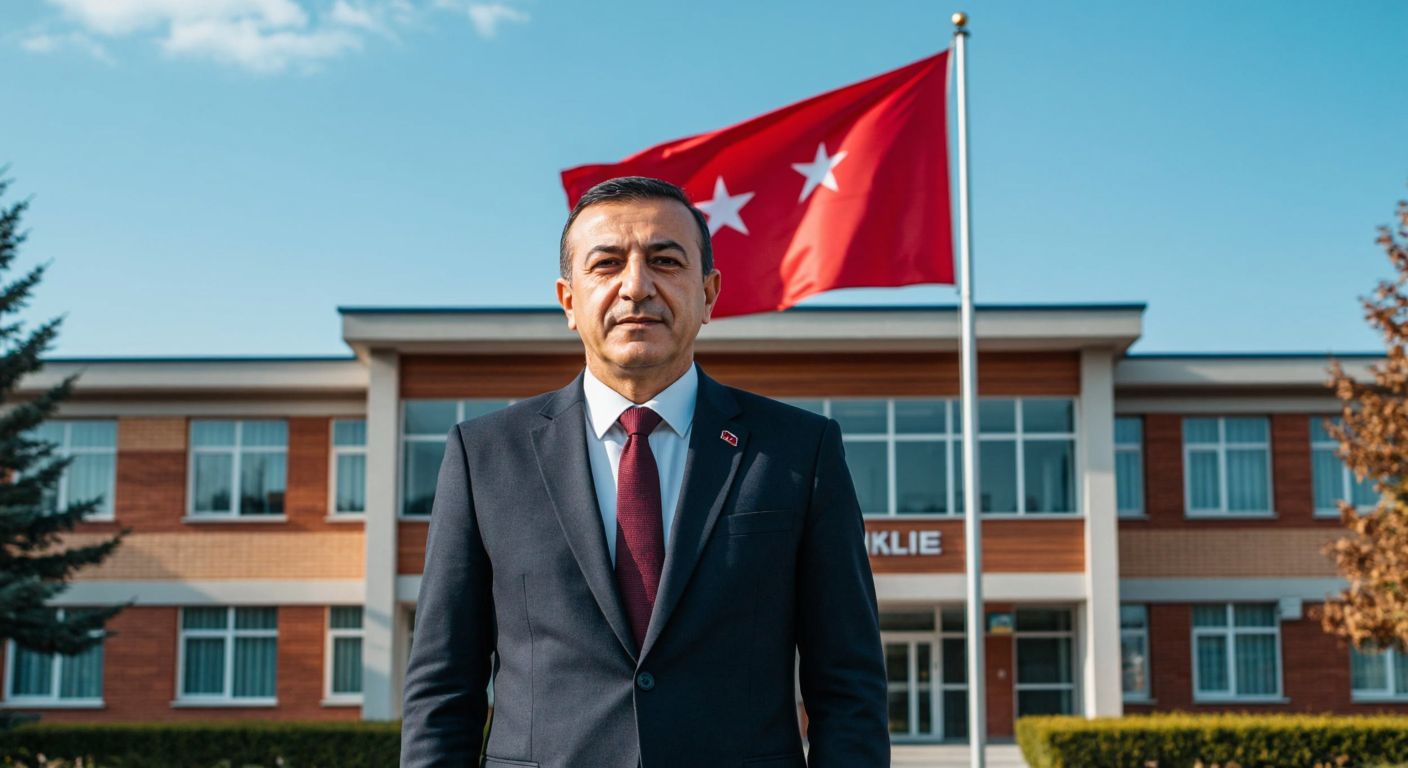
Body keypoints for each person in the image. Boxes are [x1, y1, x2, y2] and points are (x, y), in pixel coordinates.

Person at [401, 176, 888, 768]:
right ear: (569, 300)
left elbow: (849, 690)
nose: (637, 287)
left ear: (709, 294)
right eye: (606, 264)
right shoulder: (483, 457)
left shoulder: (798, 452)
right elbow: (442, 692)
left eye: (665, 260)